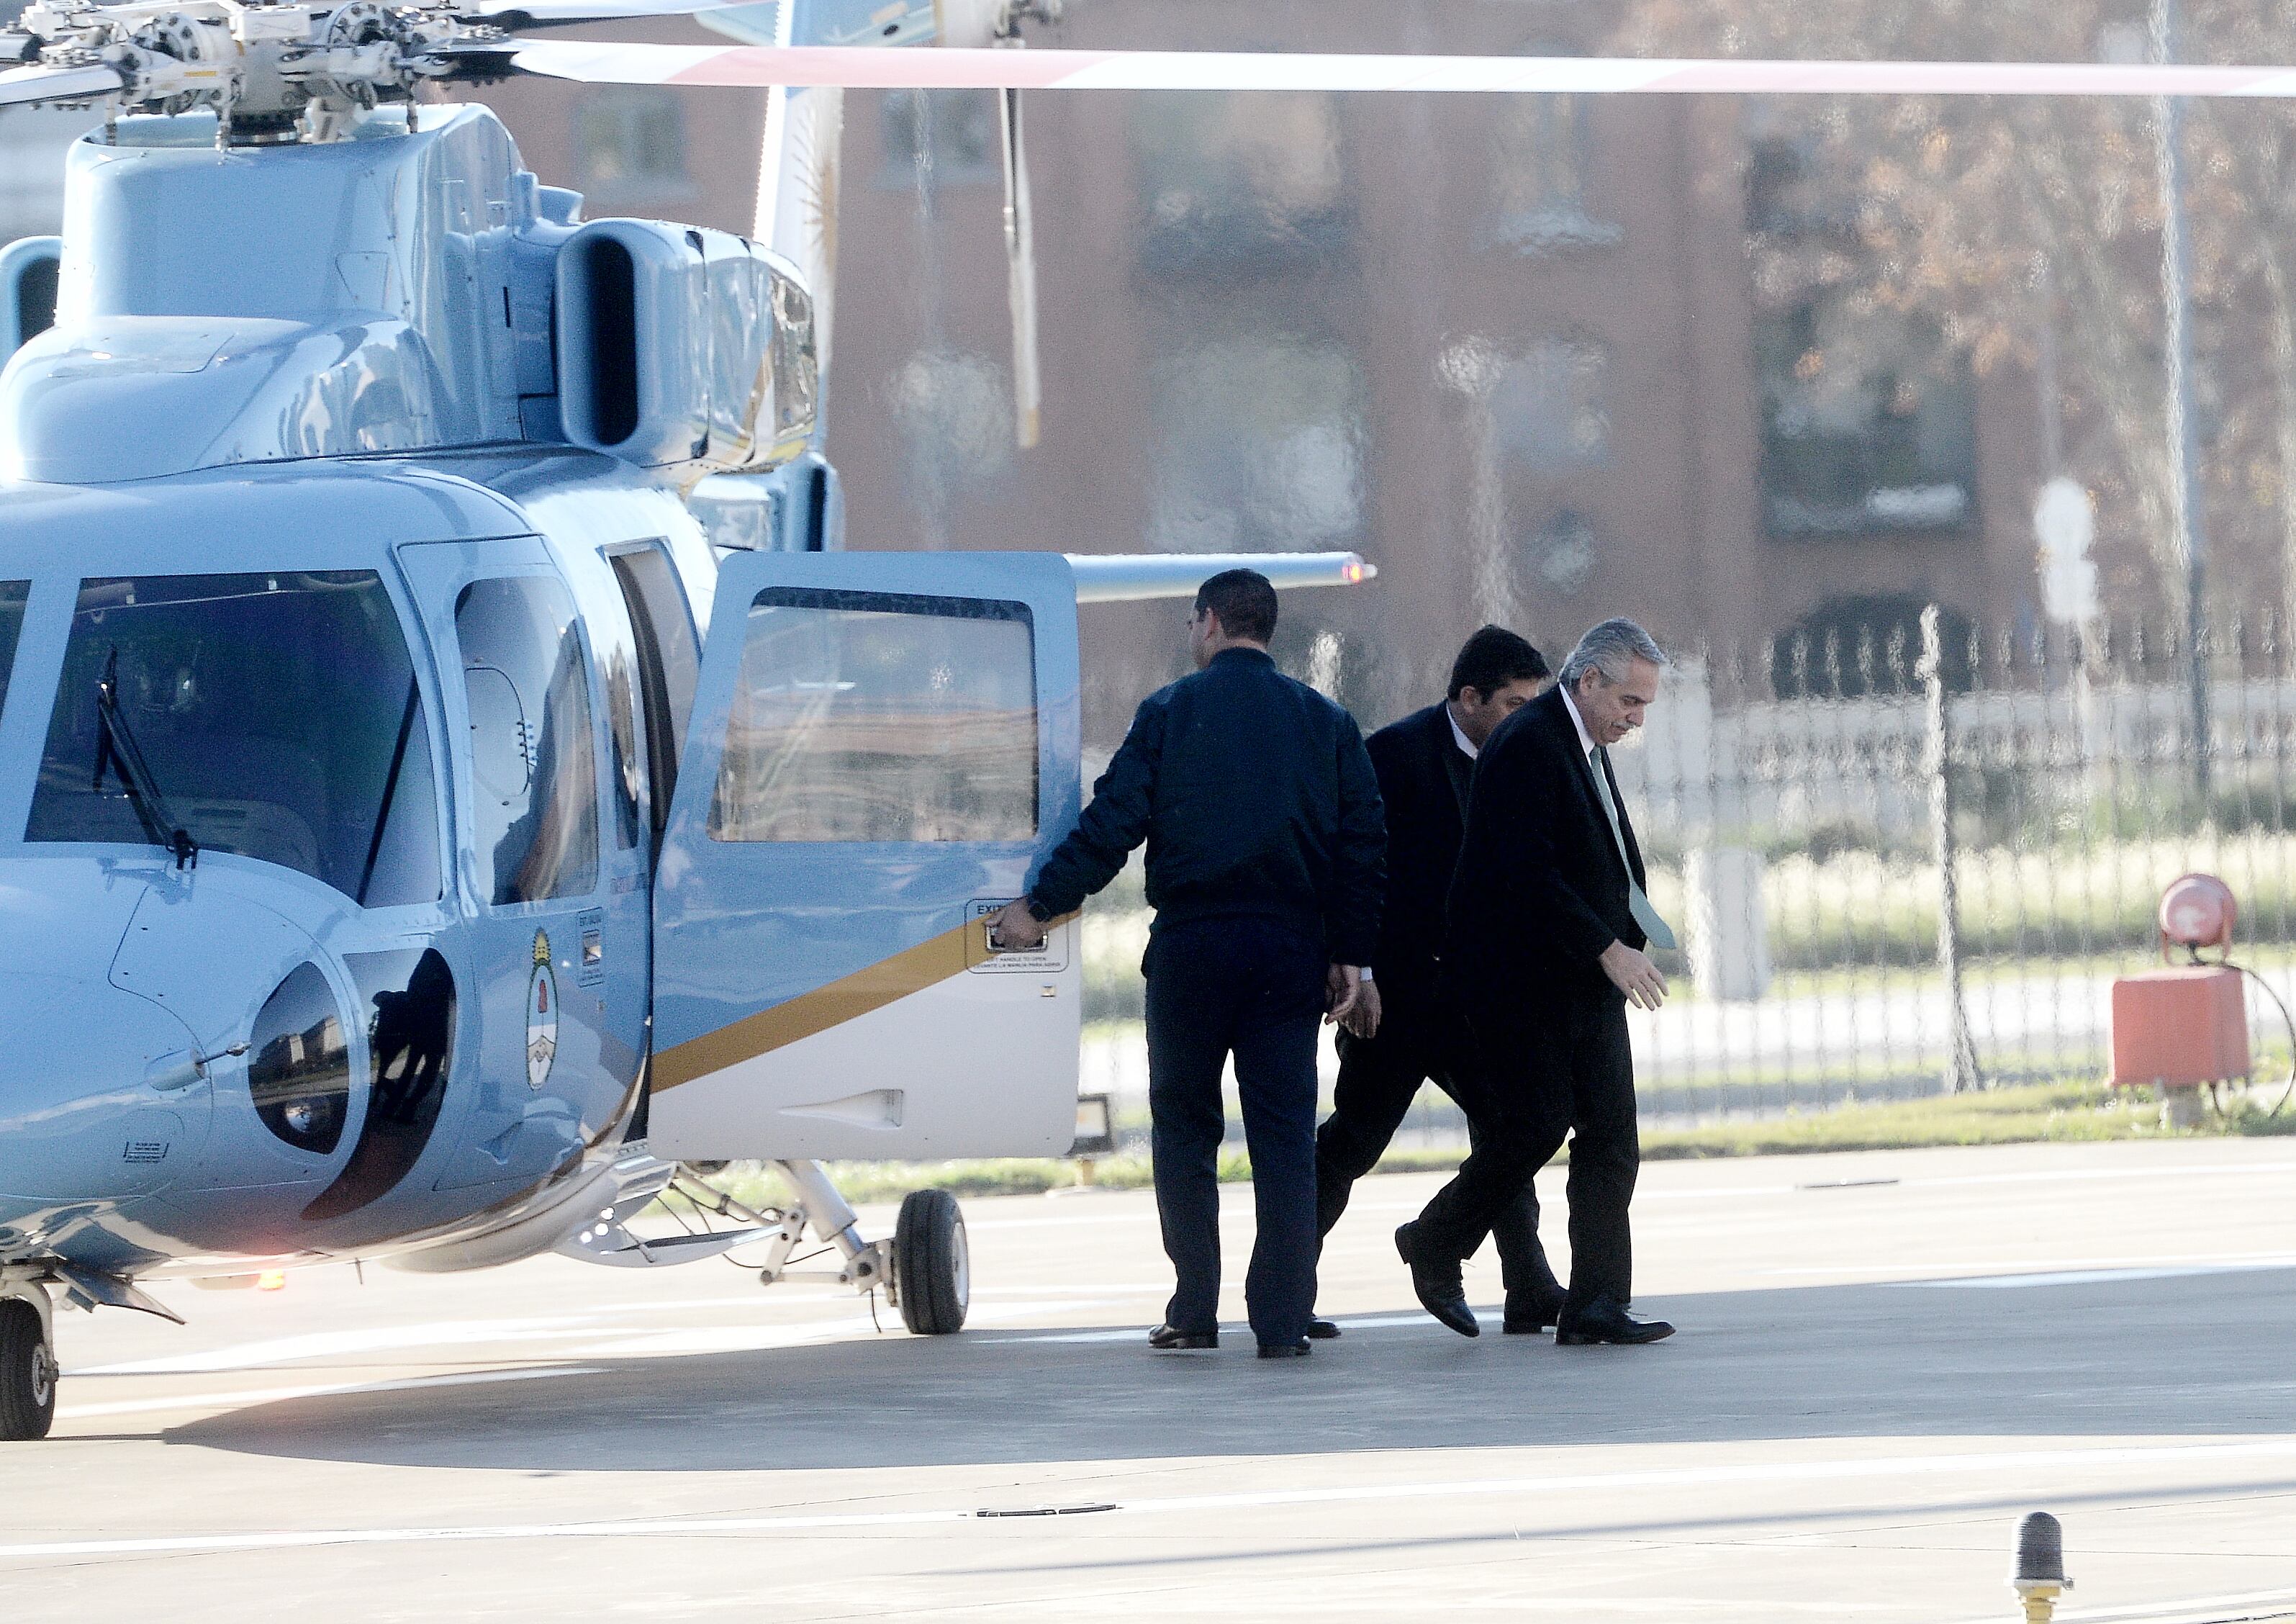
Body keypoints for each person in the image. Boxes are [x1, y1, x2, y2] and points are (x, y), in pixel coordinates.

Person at [990, 569, 1386, 1358]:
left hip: (1192, 948)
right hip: (1288, 950)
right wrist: (1354, 956)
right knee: (1282, 1136)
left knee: (1185, 1128)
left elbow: (1114, 823)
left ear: (1209, 623)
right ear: (1264, 629)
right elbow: (1363, 847)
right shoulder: (1326, 721)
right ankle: (1280, 1322)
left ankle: (1193, 1311)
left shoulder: (1170, 711)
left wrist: (1040, 907)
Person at [1395, 617, 1678, 1345]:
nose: (1635, 717)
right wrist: (1606, 948)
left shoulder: (1581, 739)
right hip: (1521, 980)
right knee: (1533, 1127)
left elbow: (1594, 850)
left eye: (1644, 705)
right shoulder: (1528, 742)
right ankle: (1434, 1240)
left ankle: (1594, 1305)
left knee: (1612, 1139)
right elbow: (1523, 870)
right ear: (1588, 680)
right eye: (1629, 701)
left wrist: (1620, 937)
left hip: (1580, 977)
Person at [1309, 626, 1566, 1338]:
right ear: (1467, 697)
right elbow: (1351, 871)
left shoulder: (1532, 756)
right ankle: (1285, 1287)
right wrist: (1354, 970)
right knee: (1355, 1140)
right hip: (1392, 998)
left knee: (1517, 1128)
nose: (1526, 715)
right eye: (1513, 703)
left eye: (1533, 702)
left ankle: (1523, 1285)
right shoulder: (1392, 756)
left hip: (1478, 998)